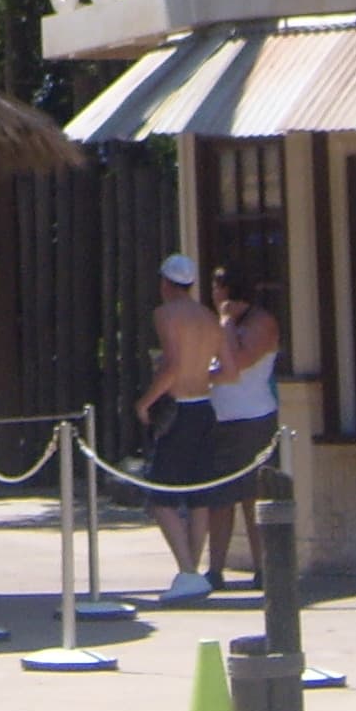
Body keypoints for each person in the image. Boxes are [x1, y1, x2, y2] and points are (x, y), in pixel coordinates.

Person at [135, 252, 235, 602]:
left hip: (178, 408)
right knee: (198, 496)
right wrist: (200, 375)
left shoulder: (165, 315)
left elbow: (173, 366)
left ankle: (188, 570)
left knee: (161, 495)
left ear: (165, 283)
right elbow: (231, 370)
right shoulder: (209, 318)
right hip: (204, 408)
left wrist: (145, 402)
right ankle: (192, 572)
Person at [194, 262, 285, 588]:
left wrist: (228, 322)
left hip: (253, 419)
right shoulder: (218, 323)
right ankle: (215, 570)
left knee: (253, 498)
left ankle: (264, 568)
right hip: (220, 419)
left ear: (227, 290)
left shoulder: (261, 323)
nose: (213, 294)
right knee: (220, 500)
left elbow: (237, 365)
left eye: (217, 288)